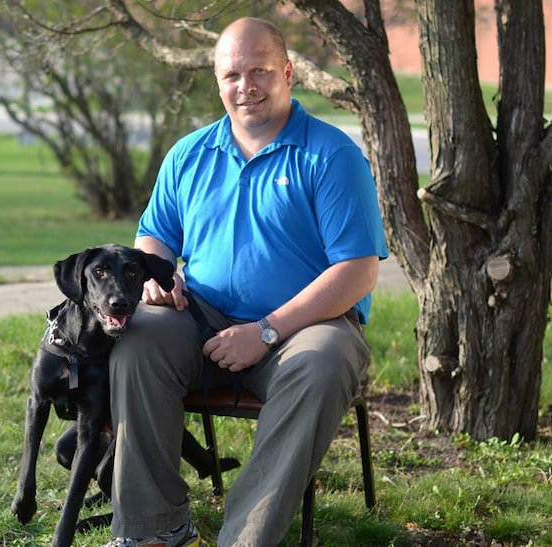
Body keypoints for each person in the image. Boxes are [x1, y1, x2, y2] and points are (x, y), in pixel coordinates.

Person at [103, 16, 388, 547]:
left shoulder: (331, 155)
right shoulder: (189, 154)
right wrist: (155, 277)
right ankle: (154, 531)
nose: (245, 87)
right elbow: (154, 236)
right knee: (136, 341)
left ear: (288, 73)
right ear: (217, 80)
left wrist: (267, 331)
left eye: (259, 71)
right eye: (232, 74)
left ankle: (245, 538)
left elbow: (358, 271)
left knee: (323, 364)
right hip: (201, 318)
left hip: (305, 327)